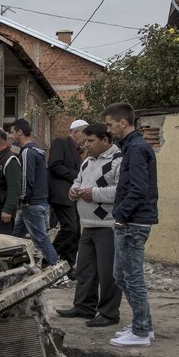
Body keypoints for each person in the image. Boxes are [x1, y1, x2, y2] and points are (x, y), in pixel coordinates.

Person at [102, 103, 159, 347]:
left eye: (109, 124)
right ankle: (142, 323)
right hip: (131, 221)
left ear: (122, 123)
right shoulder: (132, 147)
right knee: (121, 276)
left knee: (132, 277)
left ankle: (141, 331)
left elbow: (138, 188)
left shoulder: (136, 148)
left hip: (133, 223)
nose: (108, 128)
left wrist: (121, 215)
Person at [56, 123, 123, 328]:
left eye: (91, 141)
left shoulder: (118, 160)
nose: (86, 145)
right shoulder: (87, 162)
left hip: (107, 224)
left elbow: (121, 191)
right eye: (85, 141)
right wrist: (74, 190)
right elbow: (78, 180)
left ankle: (109, 313)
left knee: (107, 273)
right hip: (88, 224)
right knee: (85, 270)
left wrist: (93, 193)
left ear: (106, 140)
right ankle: (84, 306)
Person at [10, 118, 59, 266]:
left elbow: (26, 179)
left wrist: (23, 199)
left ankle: (56, 266)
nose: (11, 136)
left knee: (40, 237)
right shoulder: (39, 151)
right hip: (39, 201)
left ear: (20, 132)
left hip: (31, 203)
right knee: (16, 236)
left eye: (12, 132)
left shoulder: (27, 153)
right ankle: (14, 264)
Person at [49, 119, 88, 277]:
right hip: (62, 194)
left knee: (75, 230)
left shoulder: (78, 151)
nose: (85, 140)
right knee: (69, 228)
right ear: (75, 132)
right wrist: (77, 176)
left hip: (73, 196)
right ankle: (50, 258)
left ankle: (68, 263)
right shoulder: (61, 142)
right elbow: (54, 165)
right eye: (84, 136)